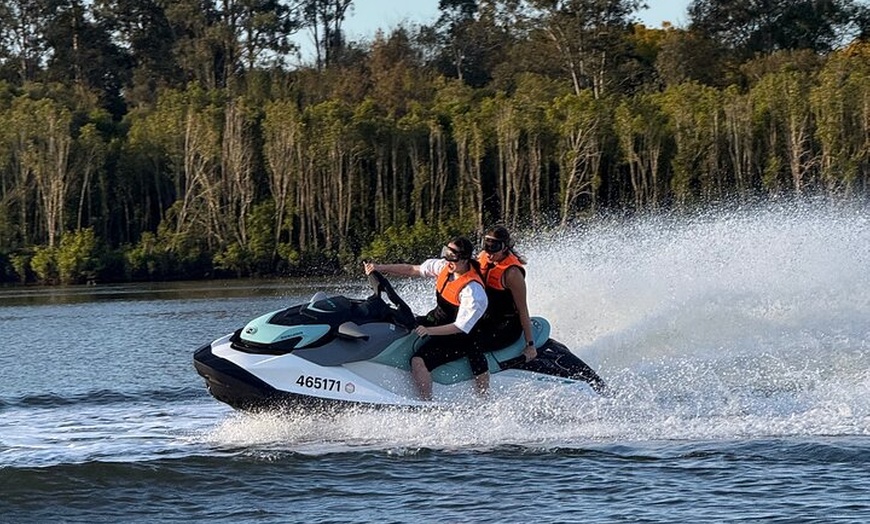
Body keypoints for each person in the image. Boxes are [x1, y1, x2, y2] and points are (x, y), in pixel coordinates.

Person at [364, 237, 489, 400]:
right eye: (446, 253)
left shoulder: (472, 291)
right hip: (436, 320)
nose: (447, 259)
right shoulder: (445, 267)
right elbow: (411, 269)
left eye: (452, 256)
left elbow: (460, 326)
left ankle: (426, 402)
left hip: (458, 337)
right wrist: (379, 267)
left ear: (465, 259)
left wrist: (429, 330)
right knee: (397, 321)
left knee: (418, 361)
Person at [476, 226, 537, 365]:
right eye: (487, 246)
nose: (490, 253)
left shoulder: (512, 273)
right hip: (486, 318)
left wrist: (530, 344)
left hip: (506, 326)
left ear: (504, 248)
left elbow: (523, 309)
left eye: (495, 247)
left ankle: (483, 384)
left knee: (469, 342)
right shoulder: (483, 257)